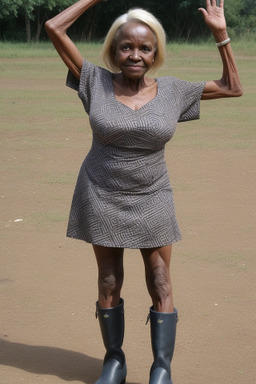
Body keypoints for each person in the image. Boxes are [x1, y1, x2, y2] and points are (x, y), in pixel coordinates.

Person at [45, 1, 242, 383]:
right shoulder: (93, 80)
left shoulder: (173, 92)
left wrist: (220, 33)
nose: (135, 54)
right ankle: (114, 361)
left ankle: (161, 367)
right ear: (114, 51)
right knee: (108, 280)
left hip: (152, 196)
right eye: (126, 47)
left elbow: (234, 87)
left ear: (155, 54)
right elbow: (55, 28)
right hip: (101, 192)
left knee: (160, 278)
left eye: (145, 48)